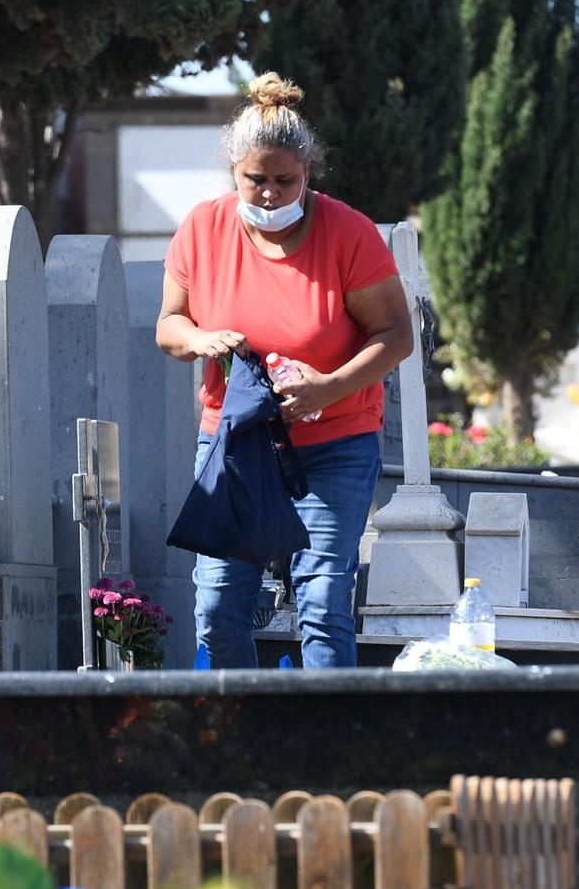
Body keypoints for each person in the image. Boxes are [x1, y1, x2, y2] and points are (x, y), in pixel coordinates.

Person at [156, 74, 414, 668]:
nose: (270, 194)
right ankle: (238, 742)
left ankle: (323, 750)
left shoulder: (347, 233)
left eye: (285, 181)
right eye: (256, 180)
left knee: (323, 602)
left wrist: (328, 386)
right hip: (237, 445)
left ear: (308, 175)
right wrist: (201, 337)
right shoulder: (203, 228)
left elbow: (396, 334)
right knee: (219, 605)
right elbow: (168, 325)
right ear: (233, 173)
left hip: (334, 444)